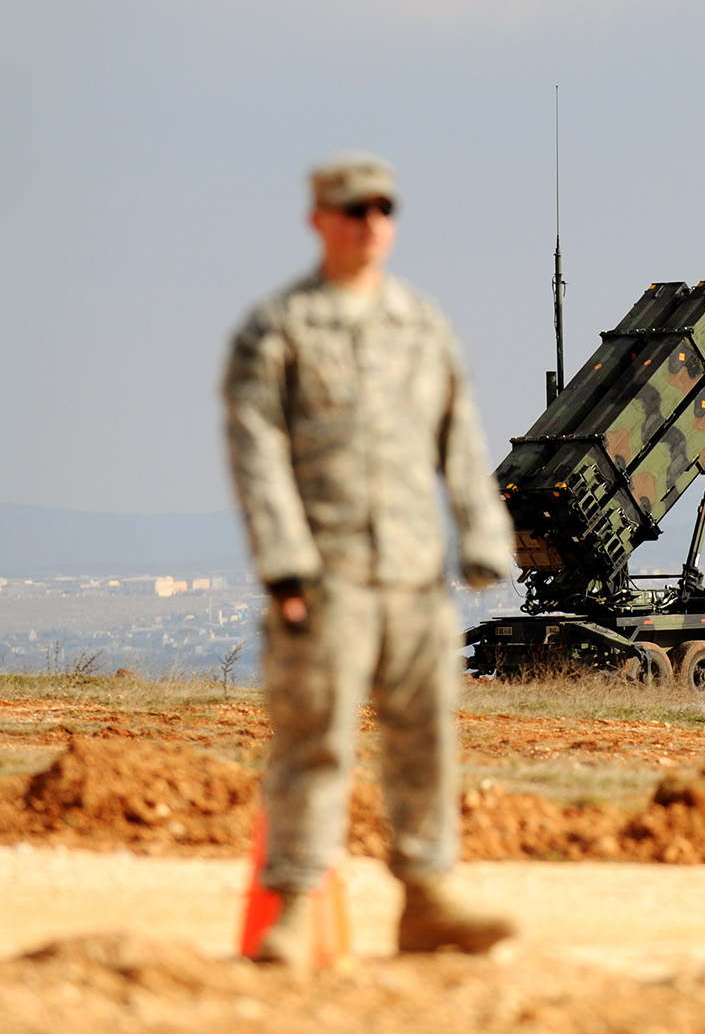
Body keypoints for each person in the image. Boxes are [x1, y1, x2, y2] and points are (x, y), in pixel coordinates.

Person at [223, 150, 516, 965]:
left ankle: (425, 899)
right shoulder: (277, 330)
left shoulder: (422, 326)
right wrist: (284, 568)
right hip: (328, 578)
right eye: (354, 210)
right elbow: (258, 452)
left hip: (415, 579)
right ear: (319, 218)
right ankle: (288, 905)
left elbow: (460, 435)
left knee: (426, 738)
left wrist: (482, 534)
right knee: (315, 741)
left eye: (383, 210)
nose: (371, 224)